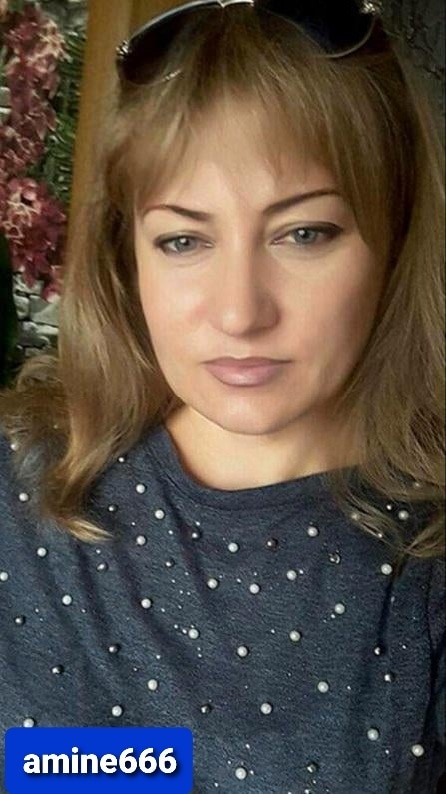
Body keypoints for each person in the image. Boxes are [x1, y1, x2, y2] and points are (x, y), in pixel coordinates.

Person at [0, 1, 444, 791]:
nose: (240, 312)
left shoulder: (427, 563)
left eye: (304, 233)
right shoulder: (22, 483)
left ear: (397, 238)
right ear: (127, 262)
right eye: (183, 240)